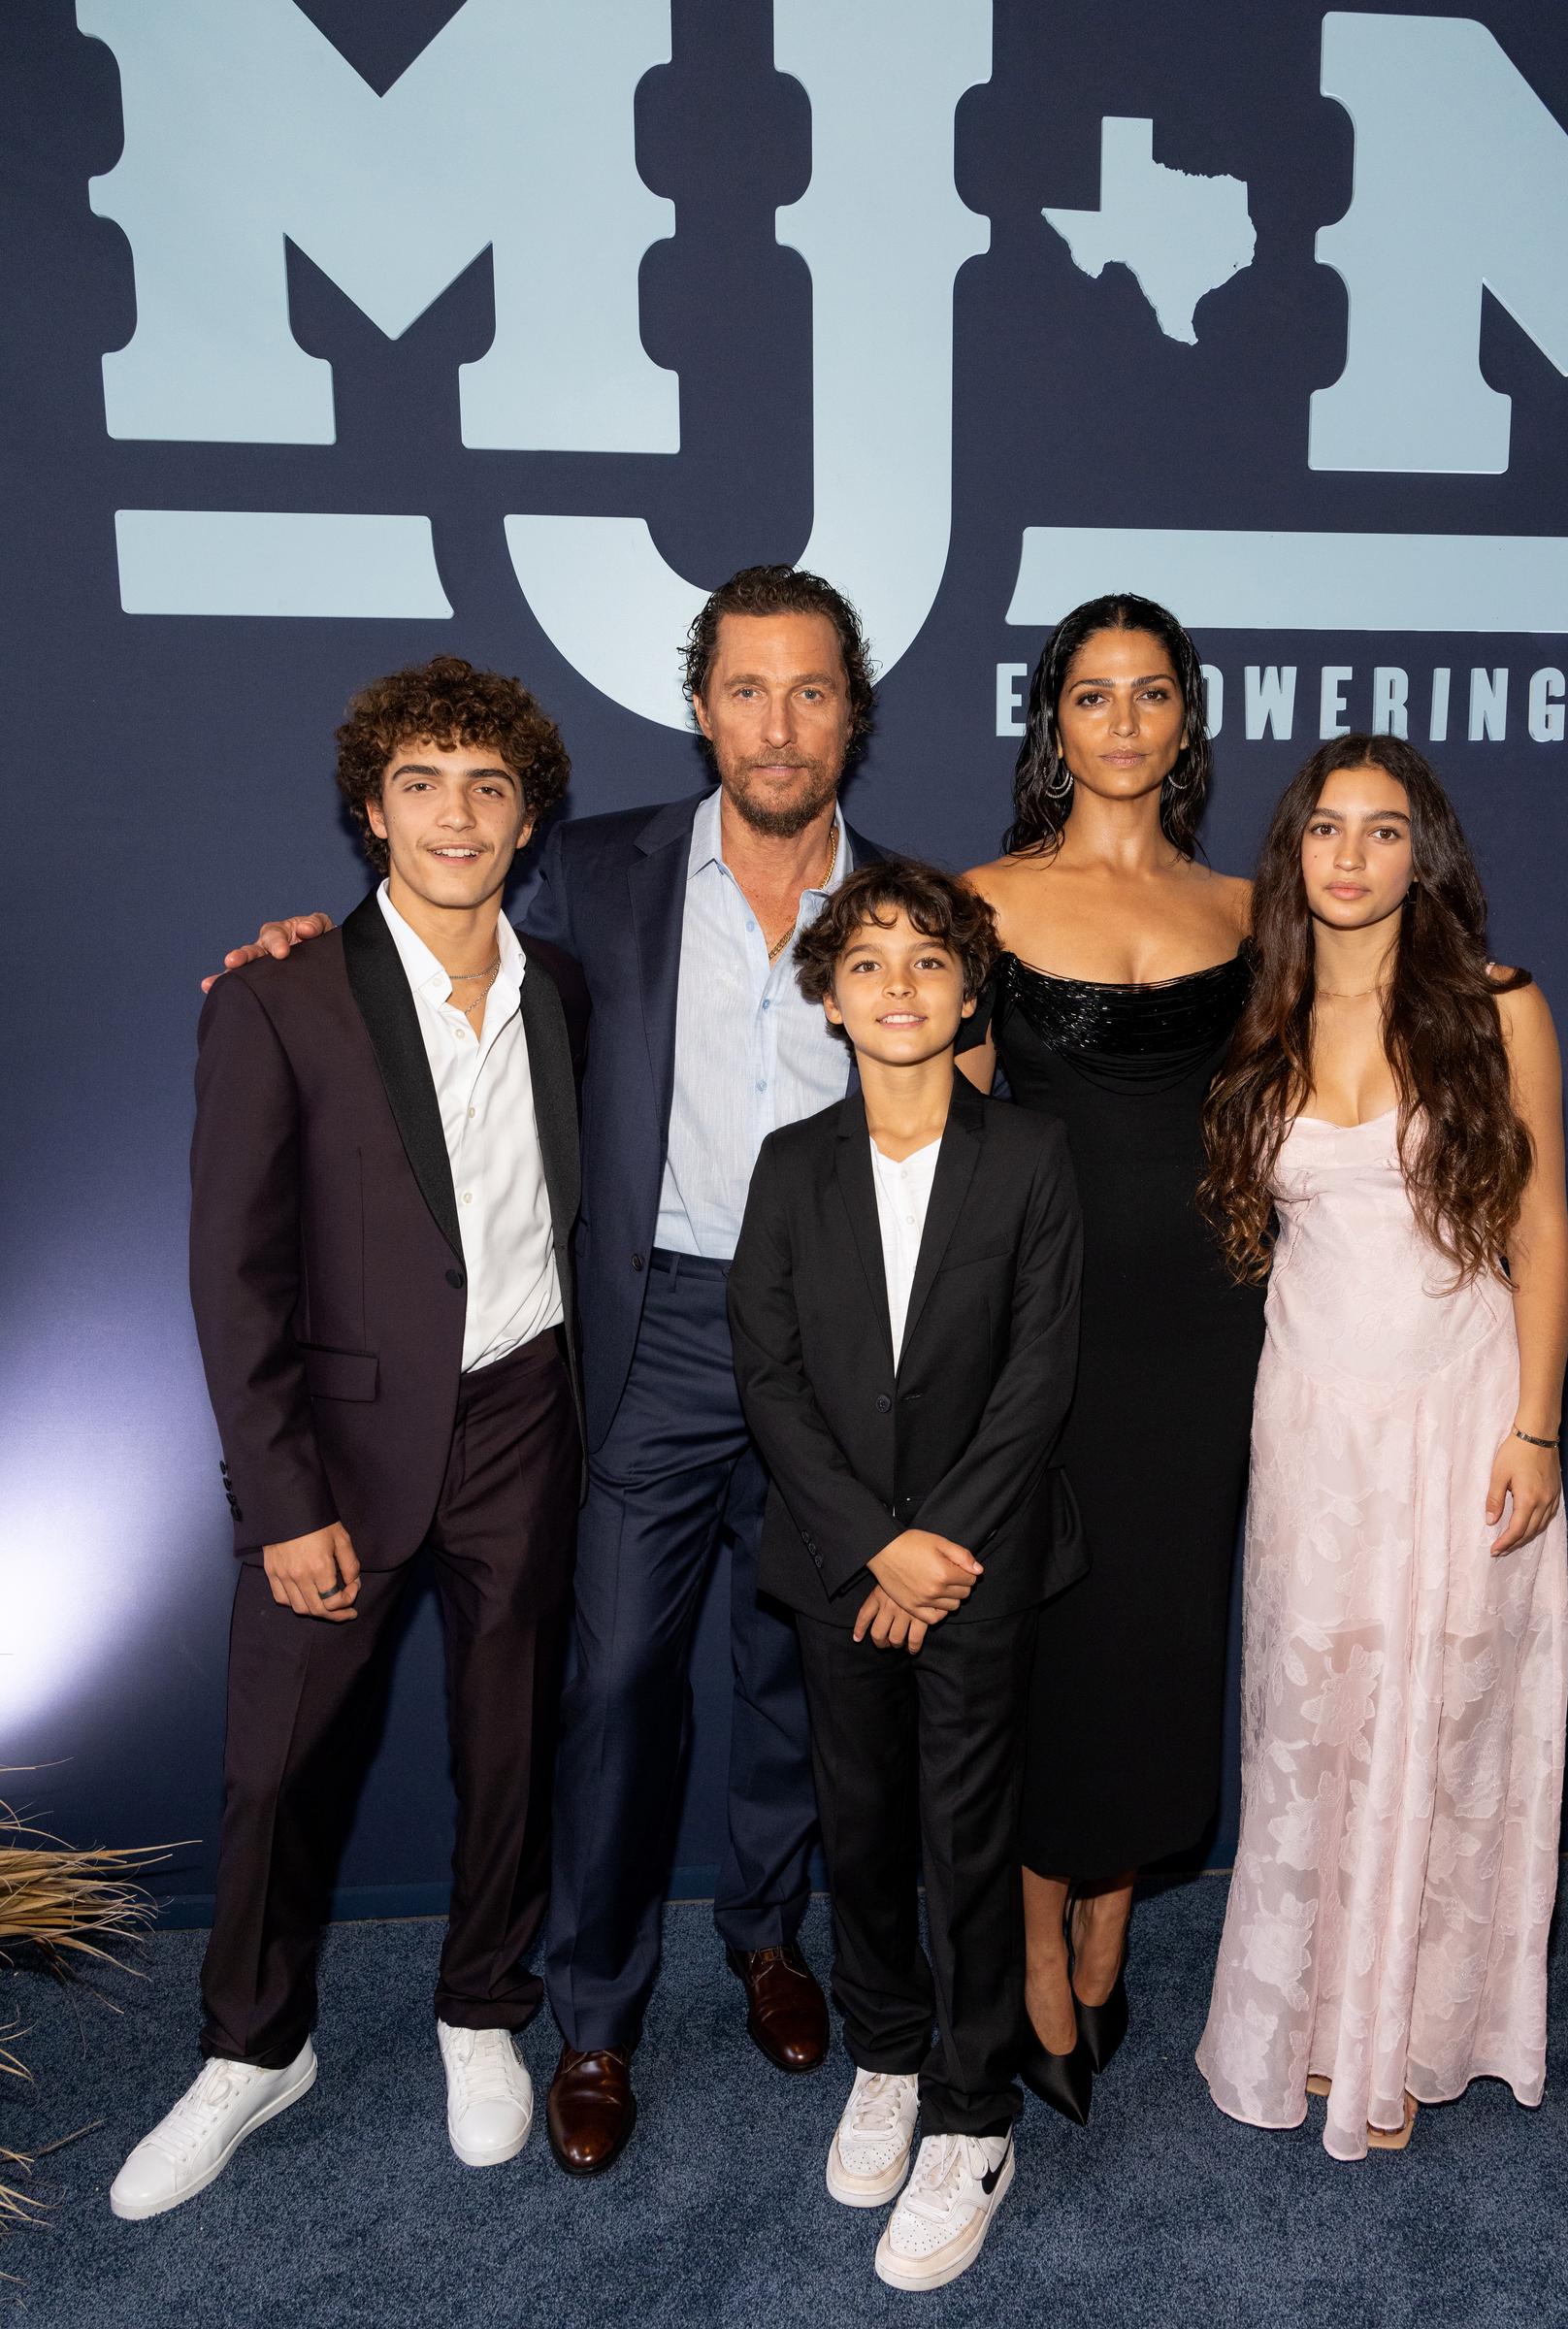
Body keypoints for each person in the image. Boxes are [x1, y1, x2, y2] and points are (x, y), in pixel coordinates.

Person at [208, 567, 887, 2176]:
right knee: (607, 1692)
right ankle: (590, 2014)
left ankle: (769, 1939)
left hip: (833, 1347)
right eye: (745, 689)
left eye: (809, 690)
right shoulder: (593, 871)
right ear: (700, 702)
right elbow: (424, 965)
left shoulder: (911, 908)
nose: (776, 724)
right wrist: (297, 947)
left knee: (793, 1678)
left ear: (852, 708)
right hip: (643, 1333)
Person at [114, 660, 586, 2219]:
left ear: (526, 821)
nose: (457, 815)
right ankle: (255, 2048)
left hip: (525, 1410)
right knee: (274, 1769)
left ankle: (482, 2008)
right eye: (424, 784)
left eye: (489, 786)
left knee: (509, 1740)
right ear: (372, 810)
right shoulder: (279, 995)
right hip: (339, 1444)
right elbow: (232, 1273)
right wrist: (278, 1498)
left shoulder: (563, 993)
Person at [1196, 734, 1568, 2162]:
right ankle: (1303, 2017)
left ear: (1428, 855)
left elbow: (1539, 1228)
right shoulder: (1256, 1012)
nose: (1352, 856)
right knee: (1312, 1720)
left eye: (1386, 830)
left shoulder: (1497, 1004)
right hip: (1310, 1415)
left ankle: (1407, 2029)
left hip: (1461, 1404)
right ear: (1292, 850)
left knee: (1444, 1714)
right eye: (1326, 830)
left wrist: (1536, 1425)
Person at [729, 861, 1084, 2291]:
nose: (898, 987)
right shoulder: (788, 1167)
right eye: (867, 963)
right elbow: (770, 1373)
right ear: (828, 998)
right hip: (838, 1563)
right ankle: (885, 2048)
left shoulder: (1031, 1158)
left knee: (966, 1835)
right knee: (860, 1818)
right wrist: (873, 1542)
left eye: (929, 963)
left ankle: (972, 2108)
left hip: (980, 1562)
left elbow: (1040, 1374)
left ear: (970, 989)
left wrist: (938, 1547)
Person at [959, 596, 1263, 2119]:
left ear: (1186, 723)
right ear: (1053, 722)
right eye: (1096, 695)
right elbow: (938, 1149)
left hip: (1208, 1324)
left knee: (1153, 1638)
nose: (1125, 723)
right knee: (1043, 1646)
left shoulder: (1251, 911)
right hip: (1042, 1326)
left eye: (1154, 695)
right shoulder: (980, 902)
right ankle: (1029, 1955)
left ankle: (1104, 1922)